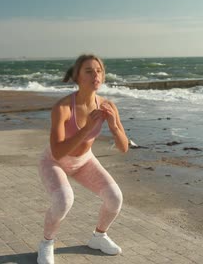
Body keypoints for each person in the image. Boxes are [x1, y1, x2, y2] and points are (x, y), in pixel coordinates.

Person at [37, 54, 129, 264]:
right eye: (89, 71)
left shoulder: (108, 106)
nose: (96, 74)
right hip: (54, 161)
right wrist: (86, 128)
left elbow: (124, 148)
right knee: (64, 200)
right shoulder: (62, 108)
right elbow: (58, 152)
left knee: (115, 198)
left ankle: (99, 237)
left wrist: (114, 126)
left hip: (84, 161)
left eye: (99, 70)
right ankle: (46, 243)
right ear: (77, 77)